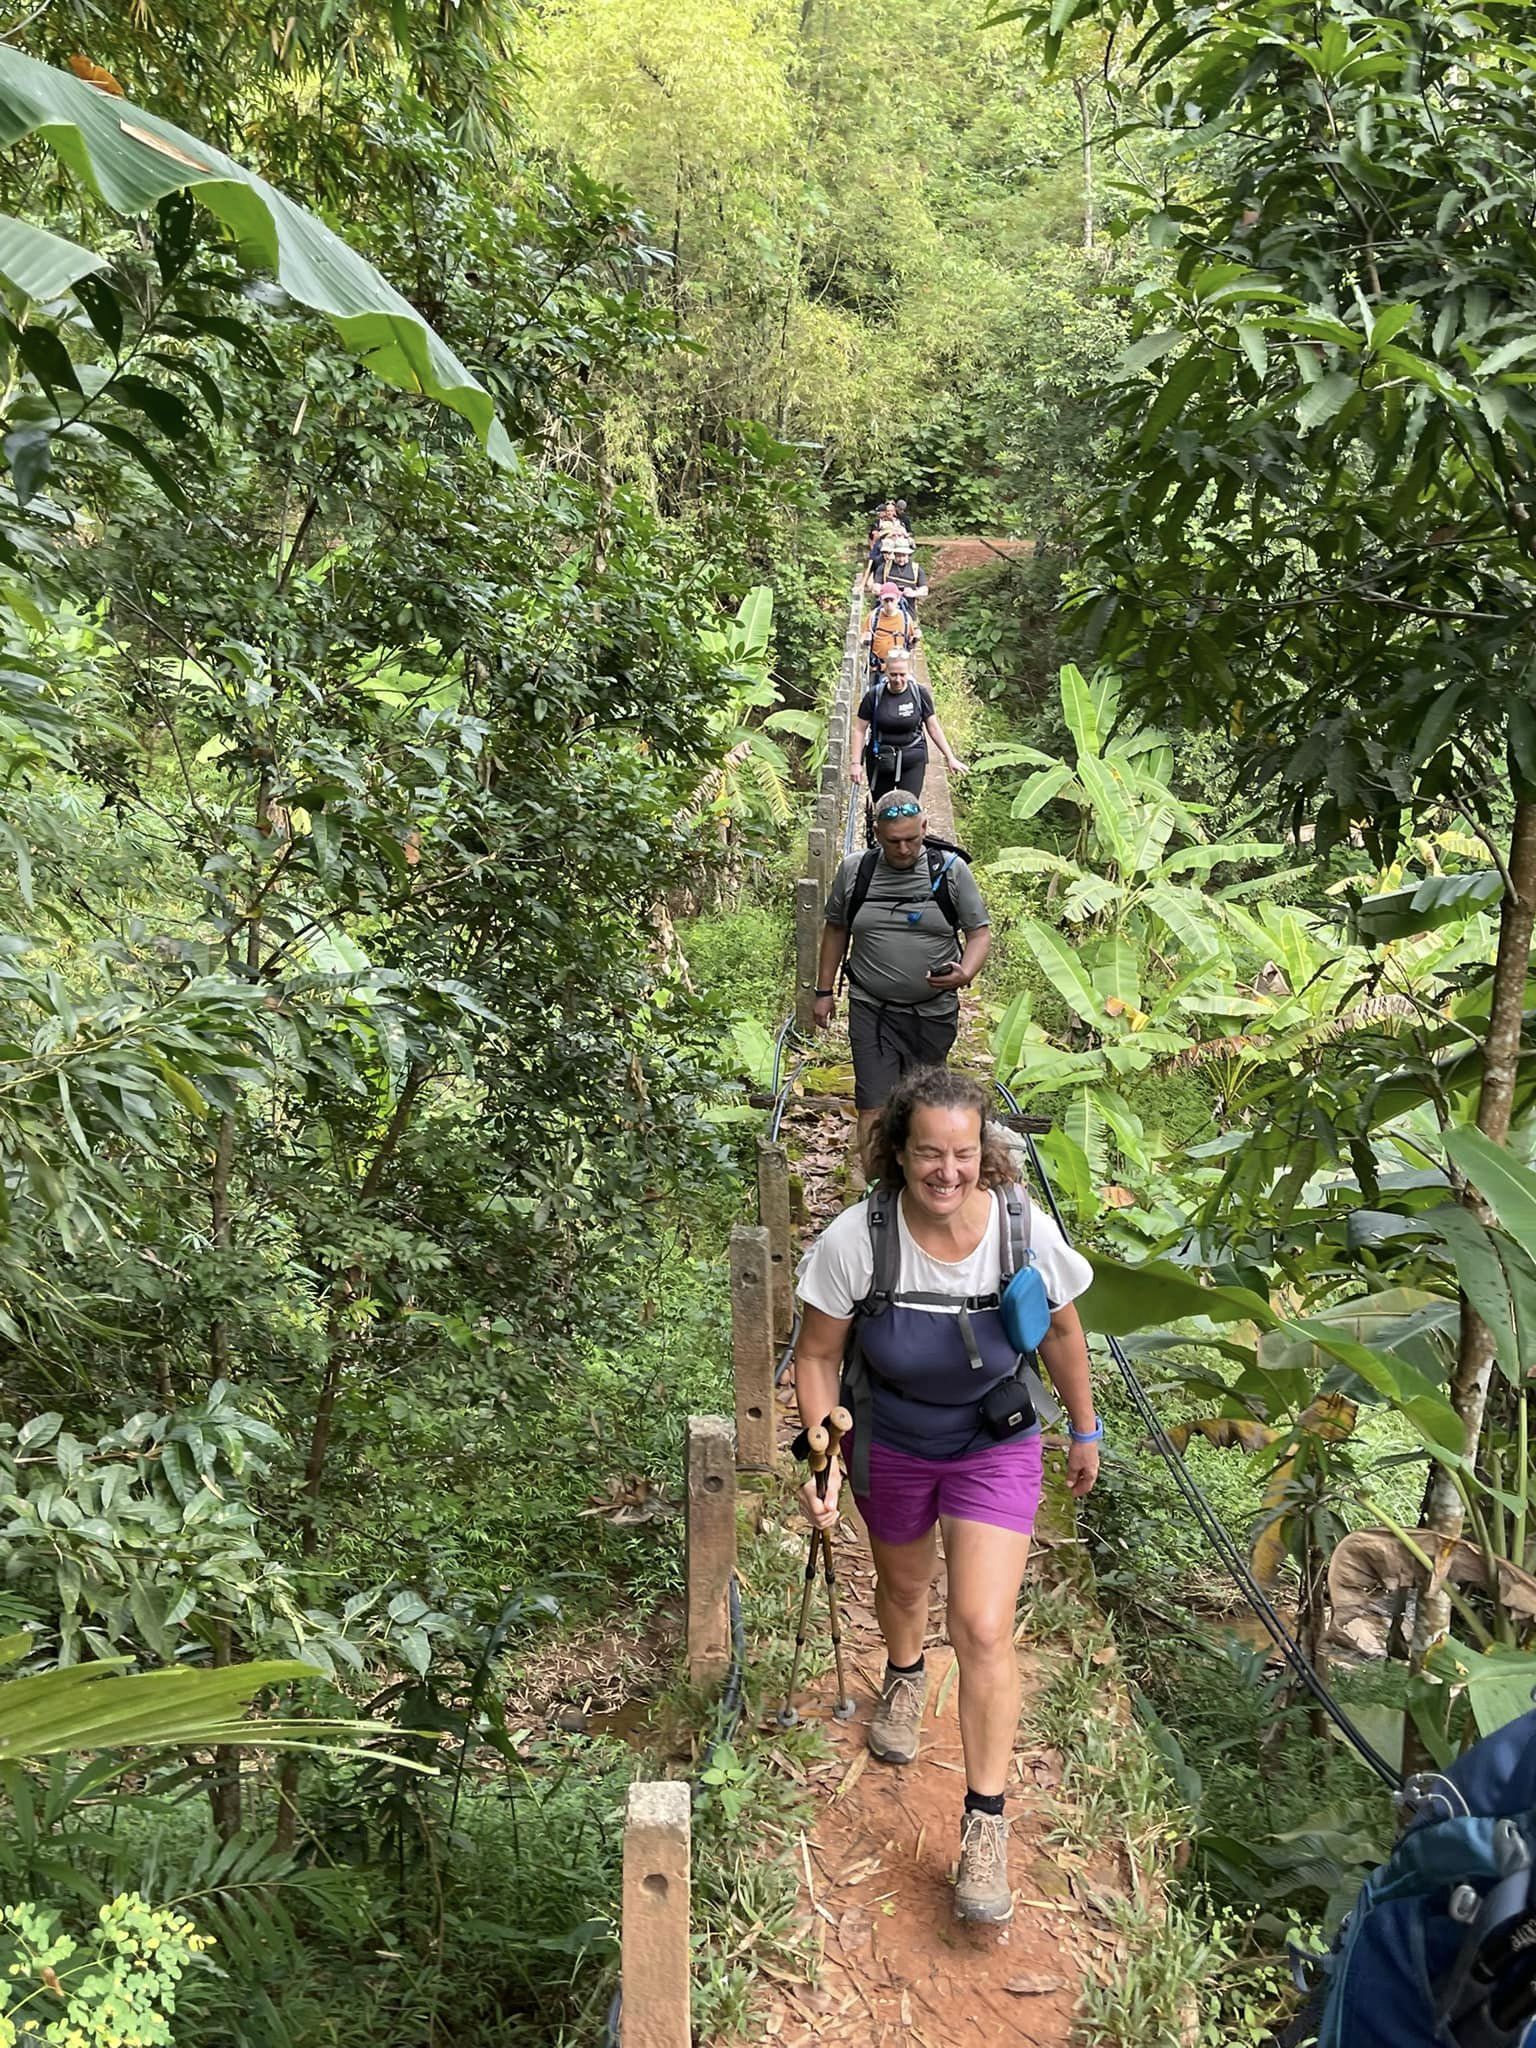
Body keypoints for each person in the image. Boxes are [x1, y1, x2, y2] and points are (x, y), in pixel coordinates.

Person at [790, 1065, 1102, 1924]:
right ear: (898, 1152)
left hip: (992, 1442)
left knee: (984, 1624)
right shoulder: (860, 1237)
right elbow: (817, 1357)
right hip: (889, 1437)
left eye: (963, 1155)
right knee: (902, 1586)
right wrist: (822, 1456)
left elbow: (1065, 1330)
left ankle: (985, 1823)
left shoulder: (1019, 1228)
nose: (946, 1172)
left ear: (987, 1156)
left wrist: (1084, 1428)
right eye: (928, 1153)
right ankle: (901, 1673)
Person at [813, 792, 990, 1152]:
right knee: (873, 1106)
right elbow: (836, 929)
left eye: (913, 838)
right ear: (876, 833)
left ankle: (914, 1184)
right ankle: (878, 1189)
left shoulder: (951, 870)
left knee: (925, 1107)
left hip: (932, 1012)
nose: (905, 848)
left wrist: (965, 972)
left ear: (925, 826)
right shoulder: (855, 870)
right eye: (894, 841)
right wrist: (823, 991)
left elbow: (979, 932)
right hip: (871, 1008)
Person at [852, 646, 964, 811]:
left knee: (908, 809)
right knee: (884, 809)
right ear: (886, 671)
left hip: (912, 757)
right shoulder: (874, 696)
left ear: (910, 672)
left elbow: (933, 727)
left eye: (902, 674)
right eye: (893, 674)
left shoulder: (919, 694)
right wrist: (856, 763)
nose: (898, 679)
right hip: (882, 758)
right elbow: (859, 729)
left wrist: (950, 757)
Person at [860, 582, 922, 678]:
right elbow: (862, 639)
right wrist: (865, 639)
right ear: (881, 600)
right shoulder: (873, 617)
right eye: (886, 600)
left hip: (898, 671)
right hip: (878, 669)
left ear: (898, 599)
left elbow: (911, 642)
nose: (889, 604)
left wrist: (916, 638)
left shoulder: (905, 618)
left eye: (891, 600)